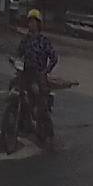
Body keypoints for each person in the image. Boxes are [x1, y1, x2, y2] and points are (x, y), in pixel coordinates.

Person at [16, 9, 59, 138]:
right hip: (26, 73)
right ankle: (22, 123)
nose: (31, 24)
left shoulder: (43, 41)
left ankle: (48, 132)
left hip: (38, 75)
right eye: (30, 22)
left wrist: (46, 71)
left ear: (39, 24)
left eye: (34, 22)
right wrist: (14, 61)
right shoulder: (25, 39)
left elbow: (54, 58)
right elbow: (18, 53)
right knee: (16, 90)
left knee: (40, 103)